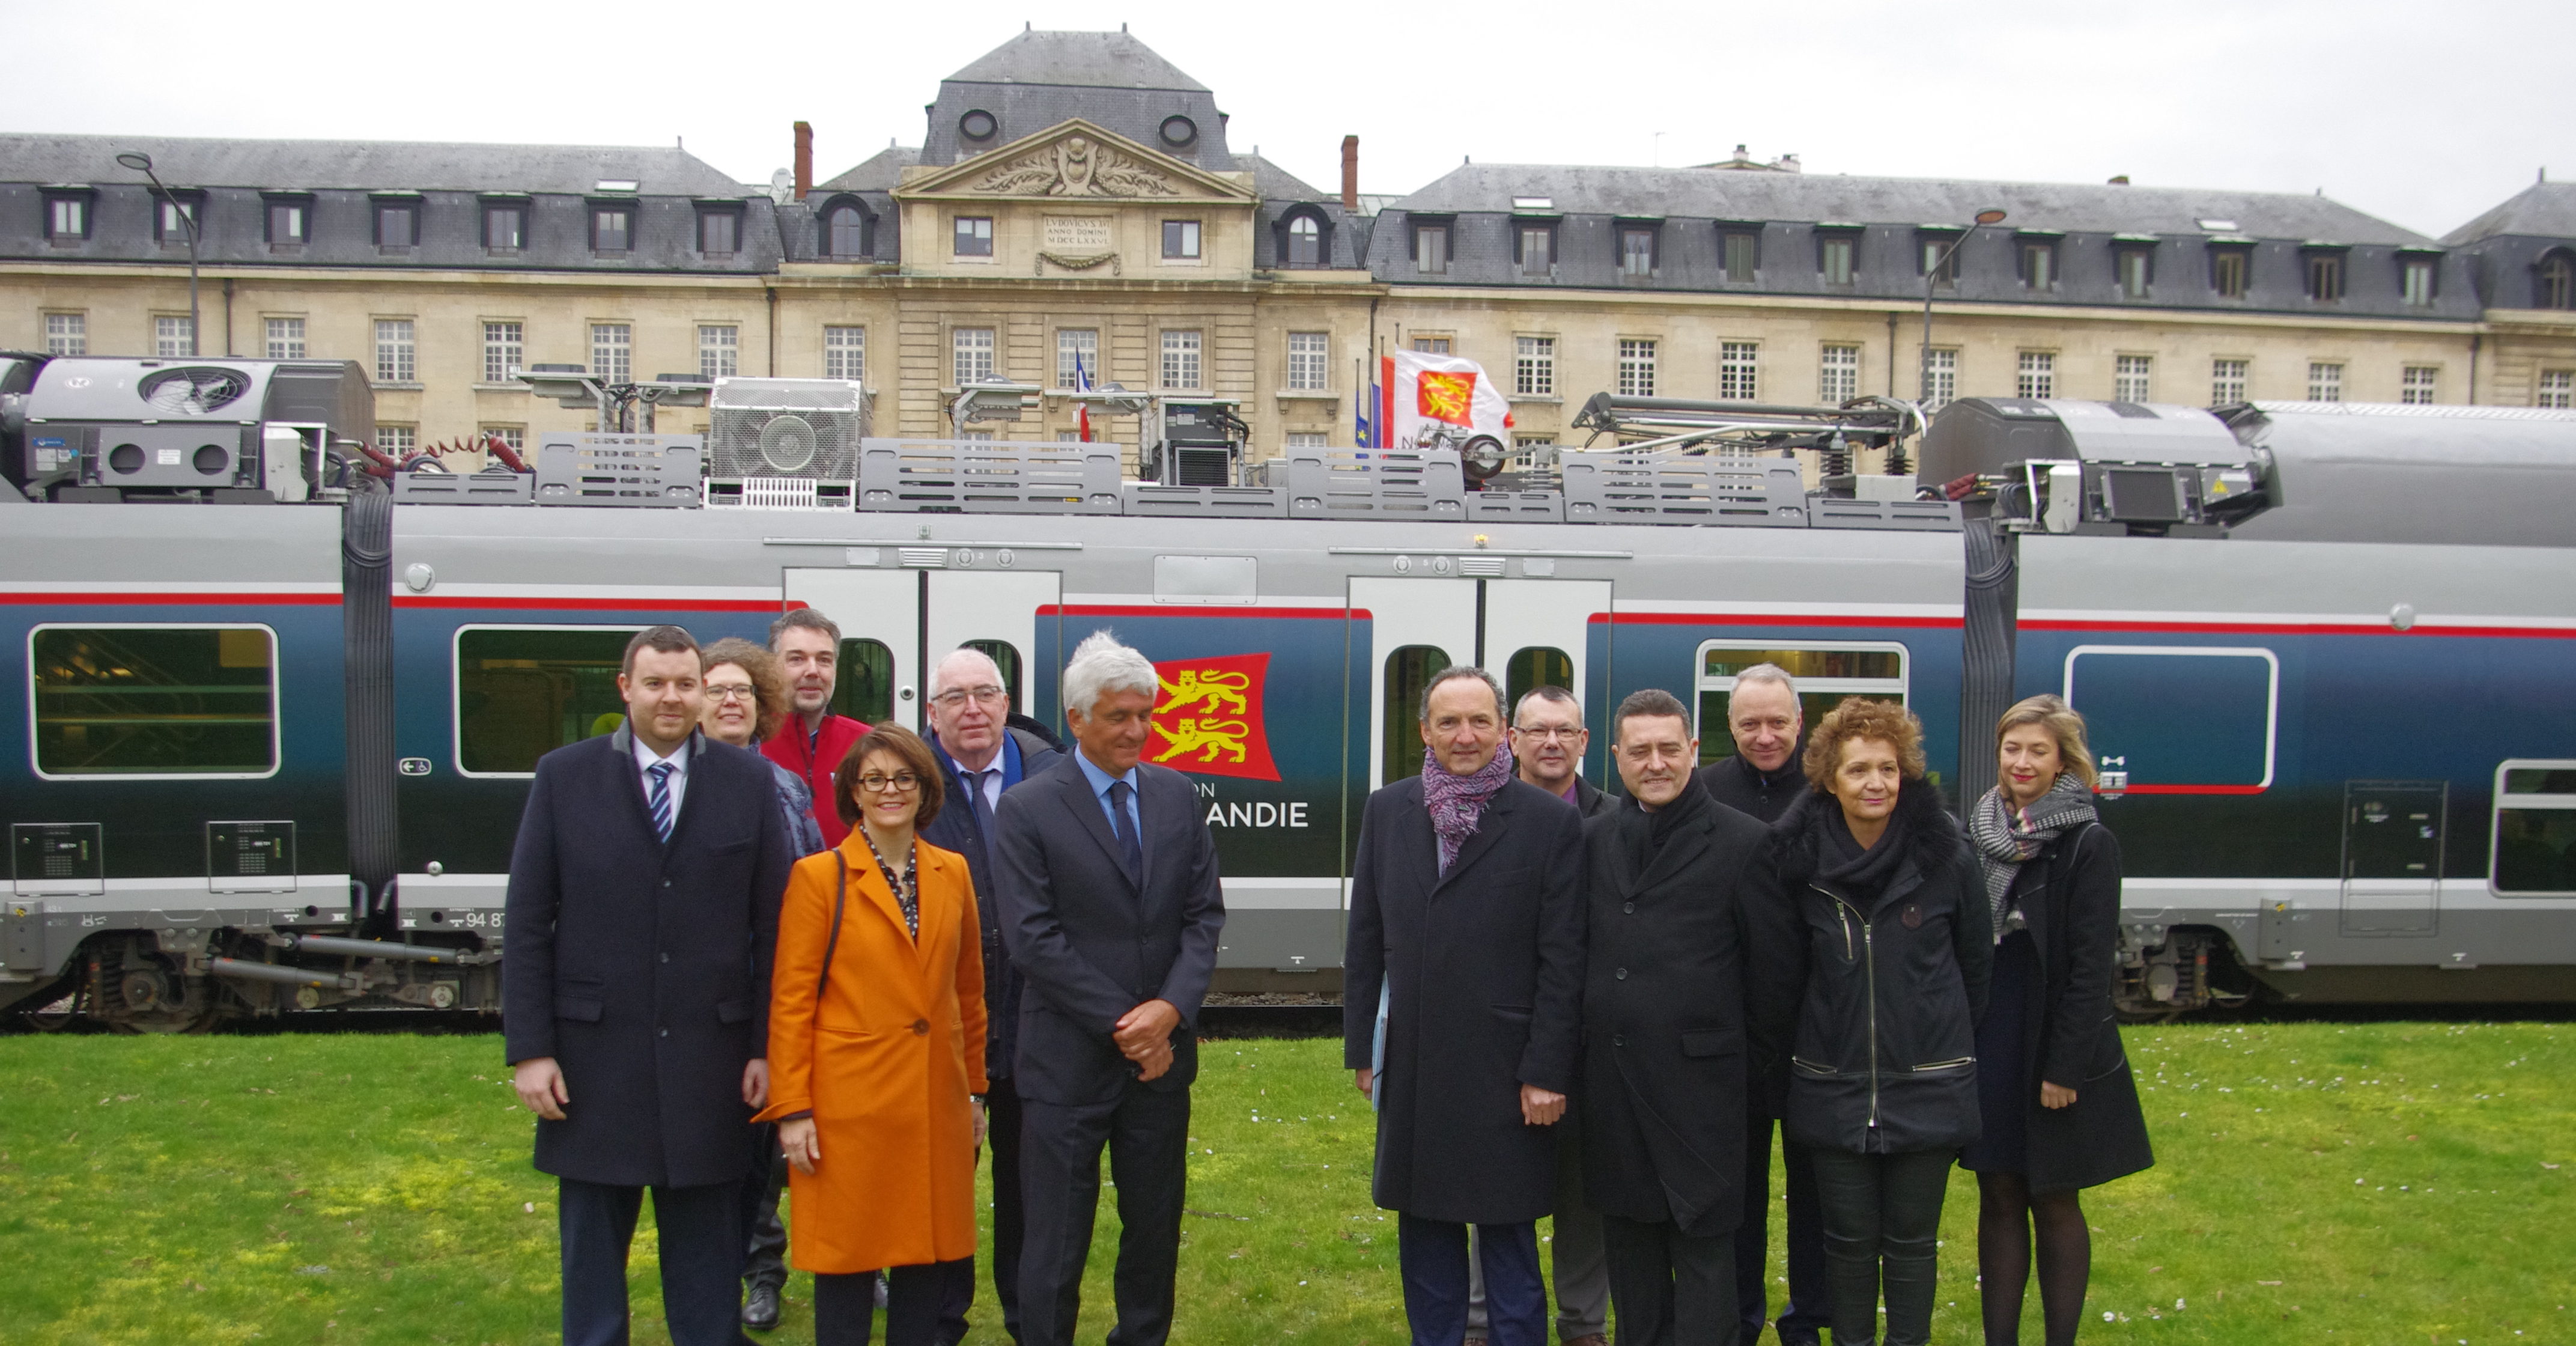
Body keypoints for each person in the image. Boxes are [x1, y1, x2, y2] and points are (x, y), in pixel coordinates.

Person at [503, 624, 793, 1346]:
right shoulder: (563, 777)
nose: (672, 696)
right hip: (592, 1061)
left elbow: (775, 928)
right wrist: (531, 1048)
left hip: (712, 1060)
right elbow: (528, 921)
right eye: (656, 682)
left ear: (703, 692)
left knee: (706, 1267)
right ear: (625, 687)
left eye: (685, 683)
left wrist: (767, 1047)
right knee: (593, 1261)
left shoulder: (749, 782)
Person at [991, 630, 1227, 1346]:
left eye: (1145, 715)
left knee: (1153, 1229)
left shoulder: (1176, 795)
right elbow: (1033, 939)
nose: (1136, 730)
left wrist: (1170, 1010)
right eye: (1119, 715)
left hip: (1160, 1067)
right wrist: (1132, 1025)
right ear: (1077, 718)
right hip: (1066, 1063)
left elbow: (1202, 916)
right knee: (1055, 1239)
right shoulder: (1028, 808)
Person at [1344, 666, 1585, 1346]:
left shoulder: (1548, 822)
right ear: (1424, 730)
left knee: (1508, 1242)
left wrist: (1547, 1069)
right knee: (1425, 1235)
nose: (1465, 735)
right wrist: (1363, 1050)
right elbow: (1366, 938)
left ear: (1503, 730)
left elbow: (1564, 960)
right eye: (1448, 721)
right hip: (1415, 1064)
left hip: (1505, 1072)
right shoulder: (1387, 810)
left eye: (1480, 720)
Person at [755, 723, 989, 1346]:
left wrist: (974, 1091)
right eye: (875, 779)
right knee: (847, 1260)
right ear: (853, 792)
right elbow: (791, 1004)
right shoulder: (819, 876)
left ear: (925, 789)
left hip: (935, 1100)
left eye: (905, 778)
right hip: (849, 1107)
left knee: (925, 1257)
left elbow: (968, 992)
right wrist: (793, 1109)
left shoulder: (953, 872)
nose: (891, 790)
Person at [1580, 689, 1803, 1346]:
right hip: (1615, 1088)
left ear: (1693, 751)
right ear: (1617, 757)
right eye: (1640, 751)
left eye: (1668, 748)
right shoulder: (1592, 841)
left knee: (1706, 1262)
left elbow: (1775, 982)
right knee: (1632, 1259)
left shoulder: (1746, 843)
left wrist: (1739, 1072)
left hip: (1706, 1097)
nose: (1655, 763)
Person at [1770, 698, 1990, 1346]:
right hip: (1832, 1085)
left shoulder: (1948, 858)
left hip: (1928, 1082)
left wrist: (1933, 1038)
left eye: (1888, 768)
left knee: (1913, 1243)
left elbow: (1975, 969)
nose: (1876, 783)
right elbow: (1784, 977)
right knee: (1846, 1242)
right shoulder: (1799, 865)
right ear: (1829, 779)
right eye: (1858, 768)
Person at [1963, 696, 2152, 1345]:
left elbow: (2090, 967)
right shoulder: (1979, 831)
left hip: (2052, 1036)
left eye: (2037, 751)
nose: (2022, 762)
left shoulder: (2088, 843)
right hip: (1992, 1030)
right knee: (1998, 1190)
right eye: (2012, 748)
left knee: (2053, 1194)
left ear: (2063, 762)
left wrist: (2065, 1067)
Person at [1454, 684, 1611, 1346]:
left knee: (1584, 1189)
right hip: (1503, 1038)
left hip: (1594, 1039)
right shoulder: (1474, 816)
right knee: (1493, 1184)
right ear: (1512, 739)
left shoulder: (1617, 820)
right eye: (1537, 730)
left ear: (1584, 741)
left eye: (1565, 731)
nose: (1552, 742)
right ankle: (1480, 1320)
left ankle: (1583, 1323)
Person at [920, 647, 1065, 1345]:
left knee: (1029, 1189)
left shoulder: (1053, 774)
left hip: (1036, 1020)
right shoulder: (909, 779)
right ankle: (939, 1318)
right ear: (932, 712)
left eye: (985, 693)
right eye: (956, 697)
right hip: (944, 1024)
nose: (972, 709)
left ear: (1007, 702)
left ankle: (1026, 1318)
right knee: (942, 1183)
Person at [1694, 663, 1830, 1346]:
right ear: (1730, 726)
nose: (1765, 735)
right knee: (1737, 1195)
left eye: (1778, 721)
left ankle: (1808, 1318)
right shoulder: (1703, 790)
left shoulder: (1830, 789)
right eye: (1750, 723)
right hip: (1732, 1028)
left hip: (1817, 1022)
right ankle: (1740, 1318)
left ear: (1800, 721)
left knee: (1817, 1192)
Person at [699, 637, 827, 1331]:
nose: (730, 702)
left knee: (785, 1143)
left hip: (784, 990)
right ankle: (757, 1271)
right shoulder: (683, 786)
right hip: (712, 999)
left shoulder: (786, 786)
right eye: (716, 689)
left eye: (743, 691)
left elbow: (811, 880)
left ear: (763, 703)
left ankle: (846, 1264)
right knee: (728, 1151)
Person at [764, 608, 870, 848]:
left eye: (824, 660)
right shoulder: (753, 742)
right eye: (797, 659)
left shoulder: (867, 745)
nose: (812, 671)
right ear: (772, 668)